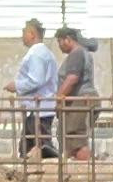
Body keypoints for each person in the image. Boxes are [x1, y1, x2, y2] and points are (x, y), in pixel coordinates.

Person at [12, 17, 61, 159]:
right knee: (27, 147)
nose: (22, 35)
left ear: (32, 34)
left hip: (39, 109)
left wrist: (16, 85)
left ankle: (56, 168)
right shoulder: (41, 53)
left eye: (24, 32)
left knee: (42, 146)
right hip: (35, 109)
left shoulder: (36, 54)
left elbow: (36, 80)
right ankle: (28, 176)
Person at [53, 25, 98, 160]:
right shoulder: (83, 53)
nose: (60, 47)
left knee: (76, 139)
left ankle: (84, 174)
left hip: (80, 100)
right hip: (83, 99)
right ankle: (77, 171)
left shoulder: (76, 53)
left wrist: (59, 98)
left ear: (67, 39)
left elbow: (72, 78)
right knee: (70, 138)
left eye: (59, 42)